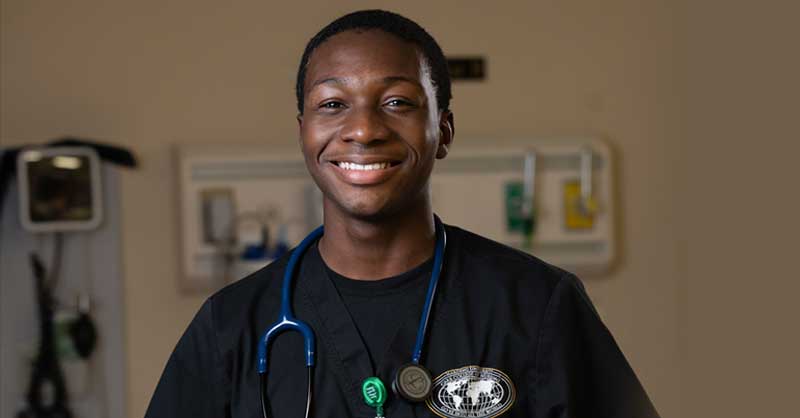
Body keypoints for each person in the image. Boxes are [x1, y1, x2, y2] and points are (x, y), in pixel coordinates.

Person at [145, 10, 659, 418]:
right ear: (302, 130)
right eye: (332, 104)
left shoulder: (535, 305)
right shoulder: (232, 325)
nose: (364, 129)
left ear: (445, 132)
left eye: (396, 102)